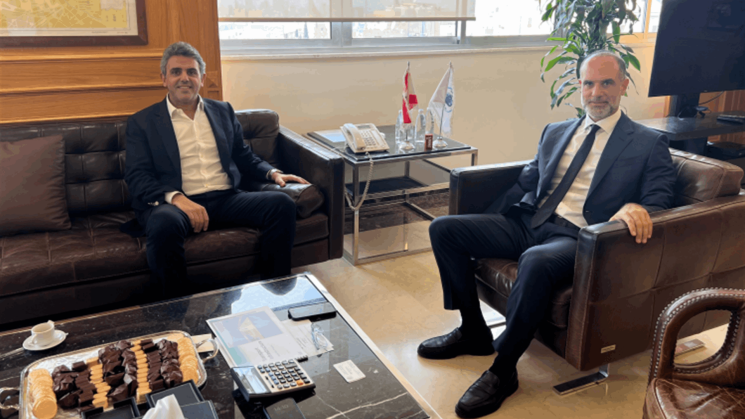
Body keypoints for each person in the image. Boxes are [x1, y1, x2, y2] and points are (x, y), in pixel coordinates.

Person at [419, 50, 676, 418]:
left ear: (623, 85)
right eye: (589, 83)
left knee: (536, 261)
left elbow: (659, 201)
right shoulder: (556, 131)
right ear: (580, 86)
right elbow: (528, 181)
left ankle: (503, 369)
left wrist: (638, 208)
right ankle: (473, 330)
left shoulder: (647, 143)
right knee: (444, 229)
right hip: (530, 221)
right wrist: (489, 222)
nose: (597, 92)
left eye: (606, 83)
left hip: (580, 238)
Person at [124, 42, 307, 296]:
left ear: (202, 78)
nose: (184, 78)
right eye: (176, 72)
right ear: (164, 78)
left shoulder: (223, 111)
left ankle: (272, 289)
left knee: (282, 204)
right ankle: (175, 309)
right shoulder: (142, 122)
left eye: (192, 72)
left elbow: (242, 155)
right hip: (176, 206)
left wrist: (272, 173)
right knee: (163, 223)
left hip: (225, 199)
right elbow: (137, 176)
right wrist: (177, 199)